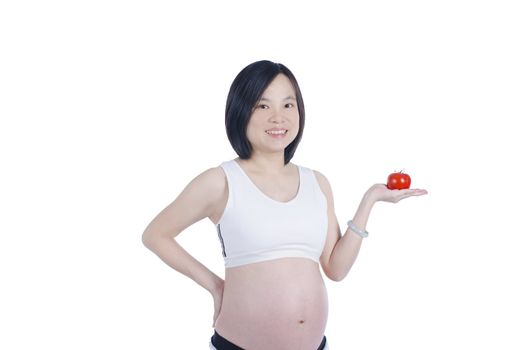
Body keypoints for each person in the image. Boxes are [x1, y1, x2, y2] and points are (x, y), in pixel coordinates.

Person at [142, 60, 428, 350]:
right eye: (263, 106)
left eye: (288, 105)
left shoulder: (317, 183)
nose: (278, 118)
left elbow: (336, 268)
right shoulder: (221, 181)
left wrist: (370, 201)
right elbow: (155, 235)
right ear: (241, 111)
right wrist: (215, 286)